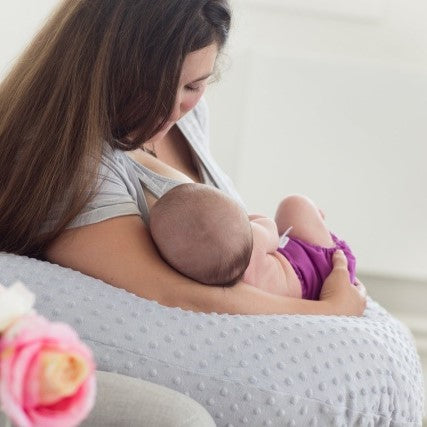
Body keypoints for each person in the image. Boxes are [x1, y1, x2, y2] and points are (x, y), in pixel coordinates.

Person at [0, 0, 366, 316]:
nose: (173, 109)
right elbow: (171, 293)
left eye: (194, 85)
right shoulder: (75, 168)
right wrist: (330, 310)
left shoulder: (190, 120)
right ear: (100, 67)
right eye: (152, 87)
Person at [150, 182, 357, 301]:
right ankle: (323, 228)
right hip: (319, 268)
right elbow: (272, 232)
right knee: (295, 204)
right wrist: (252, 222)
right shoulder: (255, 239)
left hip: (303, 287)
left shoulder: (206, 279)